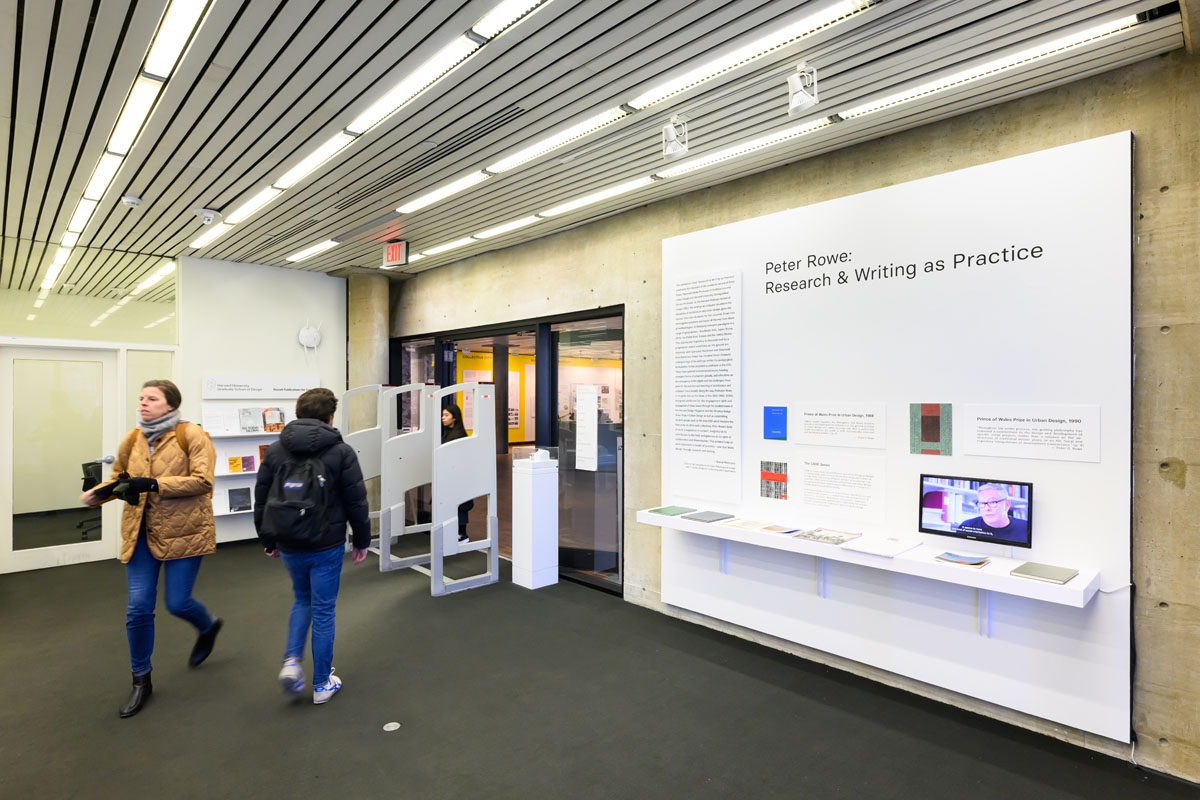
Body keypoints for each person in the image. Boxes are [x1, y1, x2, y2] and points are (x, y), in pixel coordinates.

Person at [79, 379, 222, 719]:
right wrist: (100, 493)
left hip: (184, 532)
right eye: (141, 398)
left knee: (178, 602)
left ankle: (208, 625)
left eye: (152, 398)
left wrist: (155, 484)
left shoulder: (192, 435)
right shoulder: (133, 438)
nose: (143, 403)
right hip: (140, 532)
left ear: (170, 404)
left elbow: (204, 482)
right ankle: (141, 679)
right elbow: (120, 477)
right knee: (138, 608)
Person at [254, 387, 370, 705]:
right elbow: (357, 501)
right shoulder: (340, 452)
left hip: (289, 541)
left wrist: (268, 540)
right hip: (326, 543)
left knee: (301, 600)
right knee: (323, 610)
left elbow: (261, 496)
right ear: (330, 416)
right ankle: (321, 684)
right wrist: (362, 541)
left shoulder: (276, 450)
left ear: (298, 412)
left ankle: (292, 662)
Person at [440, 402, 473, 543]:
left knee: (460, 505)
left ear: (455, 418)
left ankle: (462, 534)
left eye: (447, 415)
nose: (443, 418)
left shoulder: (458, 435)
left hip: (458, 476)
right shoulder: (449, 433)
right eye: (443, 415)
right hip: (450, 474)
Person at [956, 483, 1029, 543]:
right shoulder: (968, 526)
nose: (987, 508)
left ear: (1007, 504)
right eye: (982, 503)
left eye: (992, 502)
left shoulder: (1025, 527)